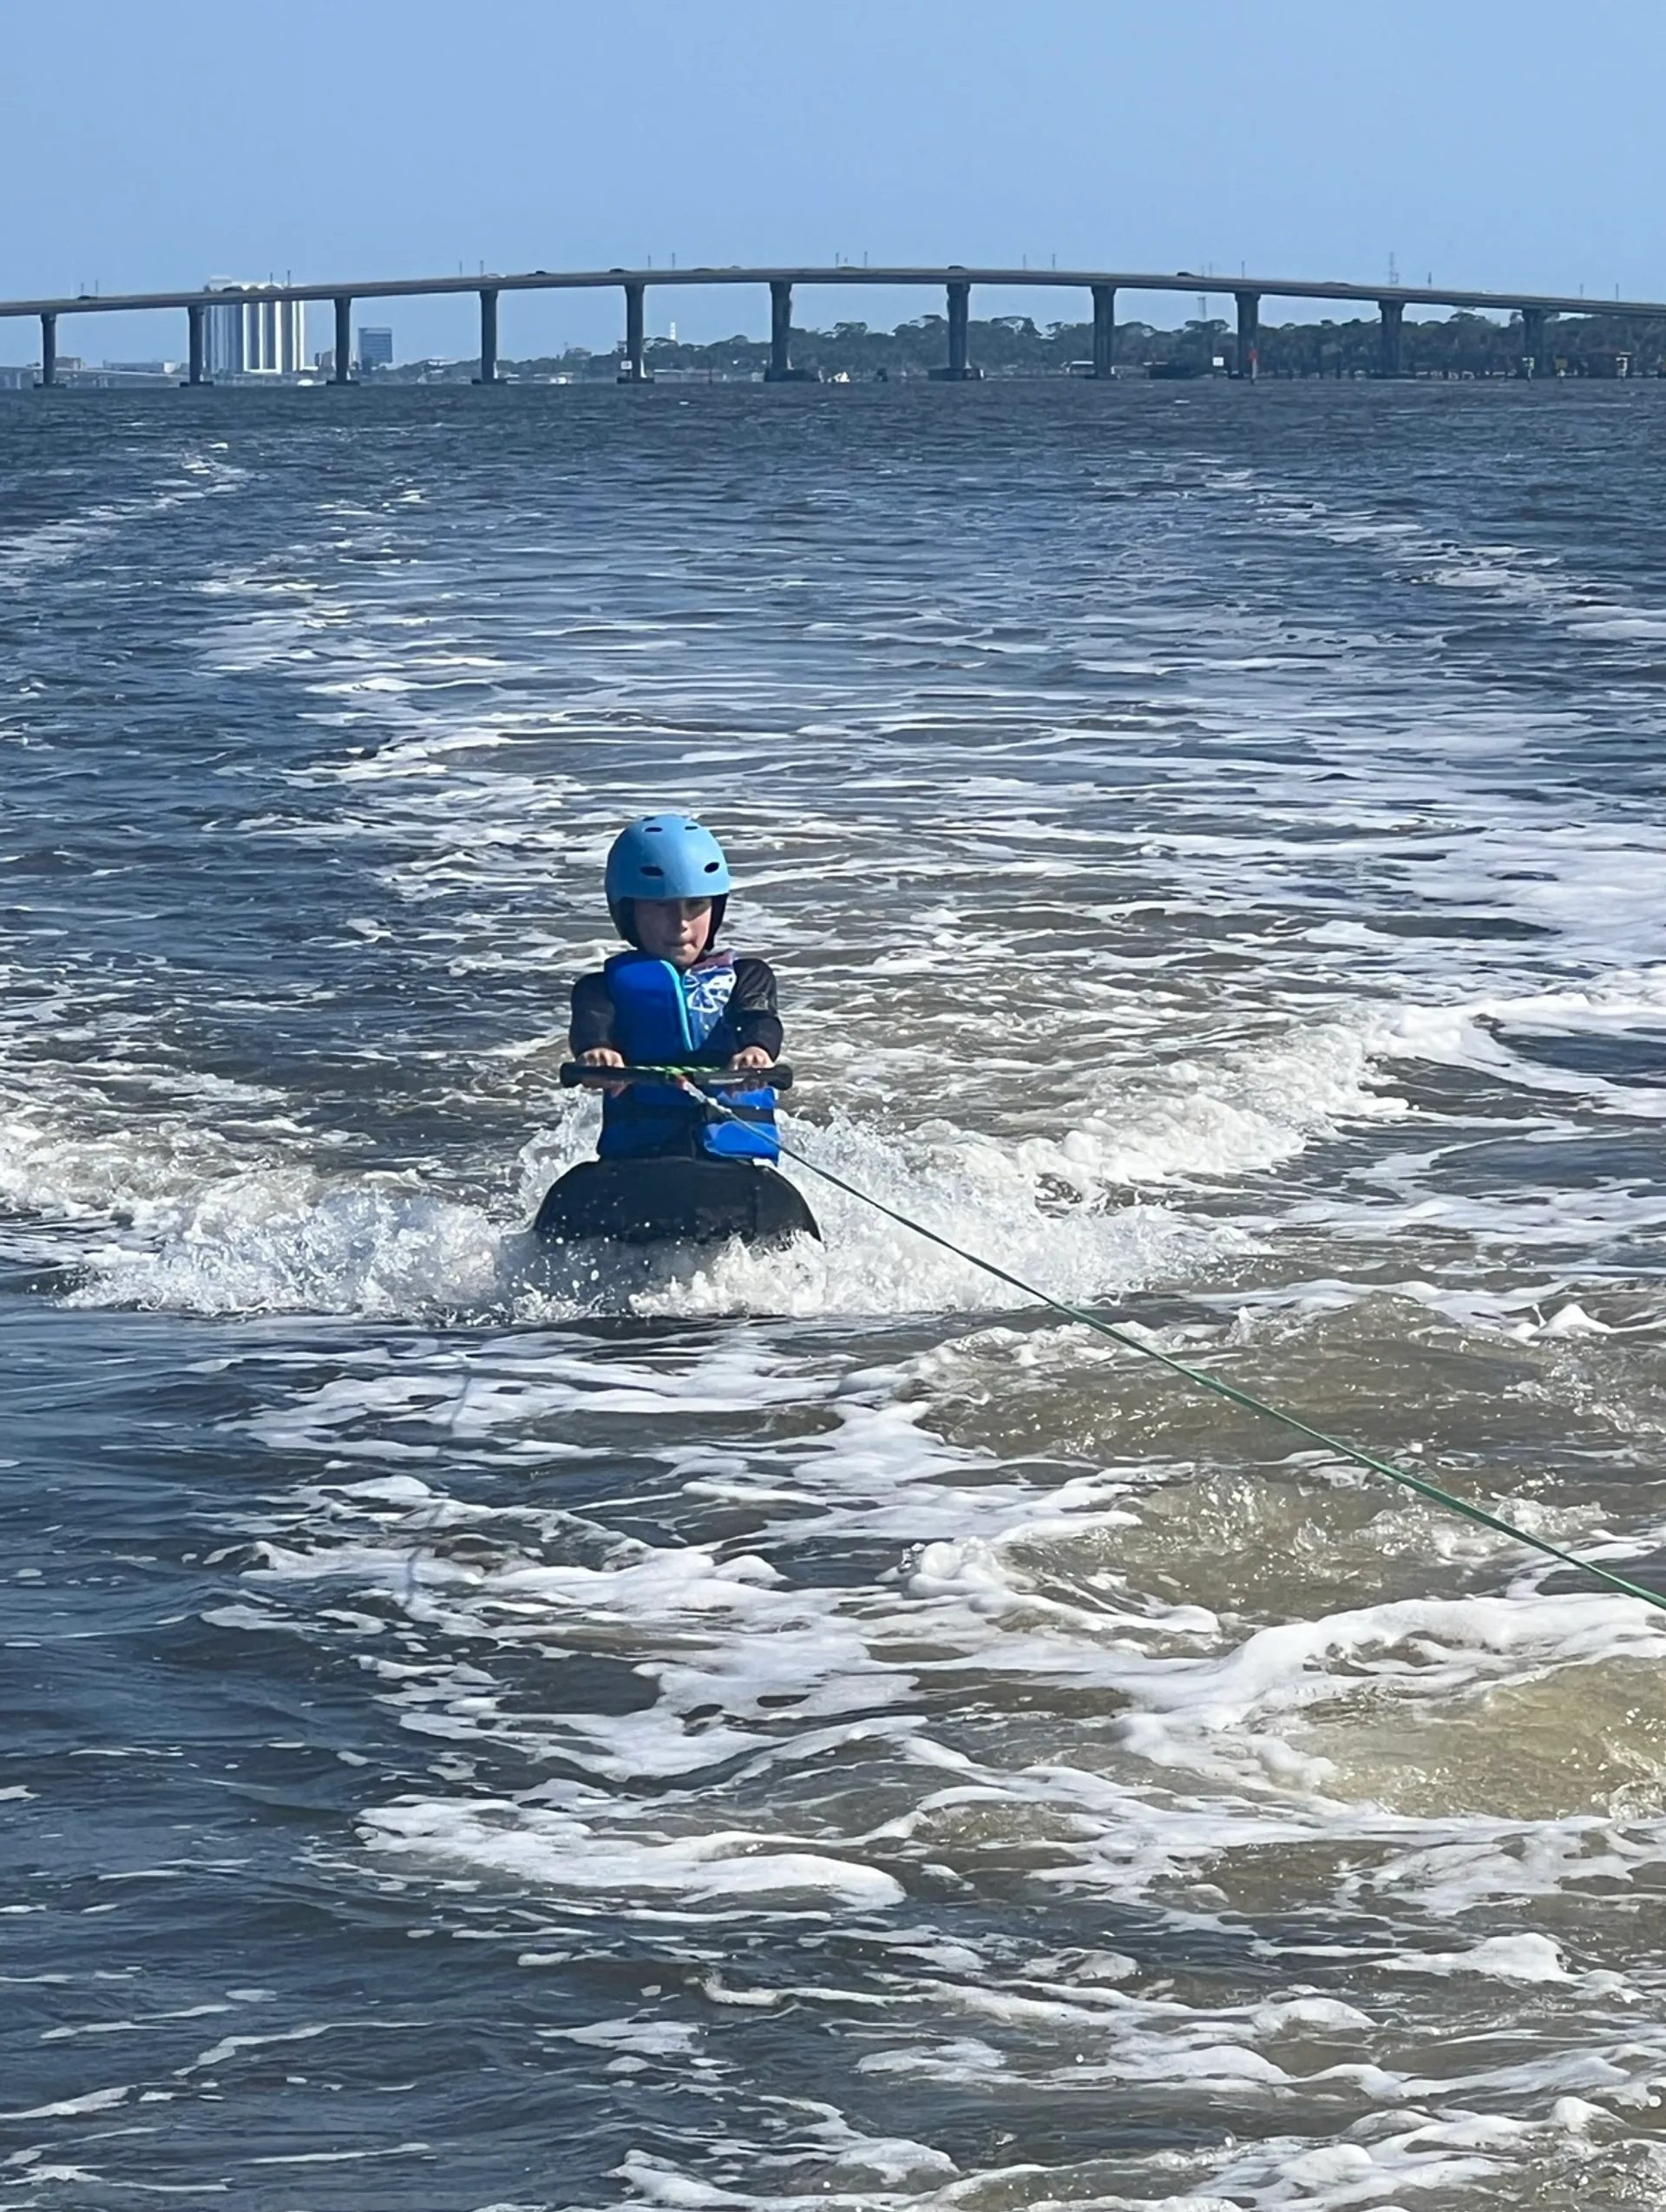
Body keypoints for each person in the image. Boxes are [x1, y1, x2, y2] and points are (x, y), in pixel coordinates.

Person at [569, 814, 784, 1162]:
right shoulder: (599, 990)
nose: (682, 924)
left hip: (734, 1166)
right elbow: (591, 1030)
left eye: (696, 905)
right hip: (638, 1162)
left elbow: (760, 1019)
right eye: (661, 906)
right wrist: (597, 1054)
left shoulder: (748, 977)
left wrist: (757, 1051)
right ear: (628, 912)